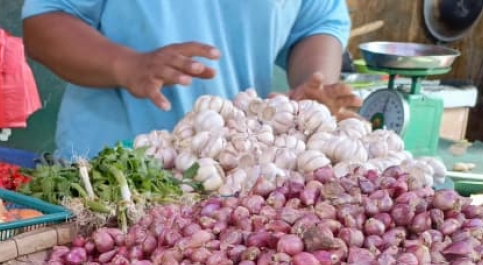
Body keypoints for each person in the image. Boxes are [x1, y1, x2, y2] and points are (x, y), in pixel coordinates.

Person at [21, 1, 362, 158]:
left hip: (239, 170)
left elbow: (317, 22)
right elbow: (45, 22)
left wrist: (313, 84)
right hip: (112, 177)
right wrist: (128, 66)